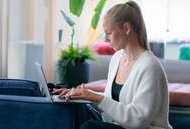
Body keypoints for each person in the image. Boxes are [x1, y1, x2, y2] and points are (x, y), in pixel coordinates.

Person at [53, 1, 173, 129]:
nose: (105, 39)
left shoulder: (150, 66)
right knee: (76, 114)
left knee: (90, 127)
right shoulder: (117, 59)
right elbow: (111, 102)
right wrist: (82, 94)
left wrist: (96, 97)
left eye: (109, 33)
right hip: (118, 126)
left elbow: (138, 121)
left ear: (126, 28)